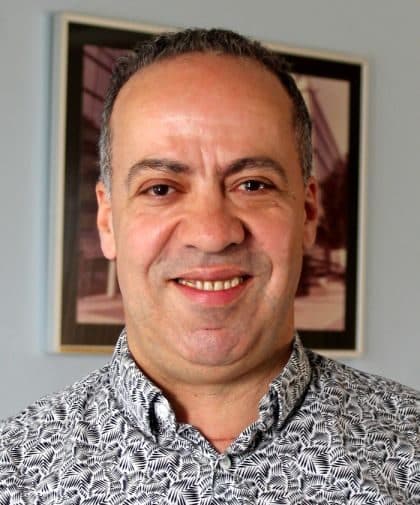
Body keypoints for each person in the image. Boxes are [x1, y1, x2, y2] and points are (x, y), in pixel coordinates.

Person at [0, 28, 418, 504]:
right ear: (107, 221)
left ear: (307, 213)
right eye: (161, 188)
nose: (213, 232)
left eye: (252, 185)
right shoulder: (13, 475)